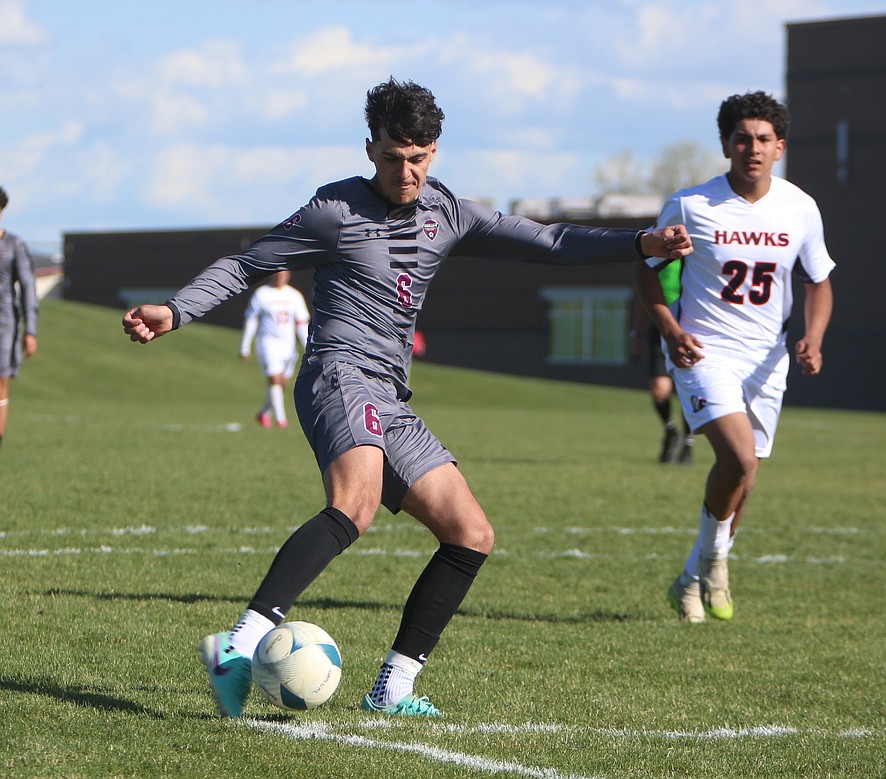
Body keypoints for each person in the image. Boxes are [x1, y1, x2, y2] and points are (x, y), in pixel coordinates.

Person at [122, 77, 692, 718]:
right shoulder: (331, 211)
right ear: (371, 150)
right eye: (393, 157)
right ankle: (238, 646)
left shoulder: (450, 212)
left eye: (417, 158)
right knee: (354, 506)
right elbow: (246, 263)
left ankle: (393, 687)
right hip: (339, 373)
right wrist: (176, 310)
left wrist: (641, 243)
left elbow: (552, 242)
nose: (405, 171)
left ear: (435, 152)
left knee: (470, 533)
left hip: (391, 396)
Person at [634, 91, 836, 624]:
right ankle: (716, 562)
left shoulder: (801, 207)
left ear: (780, 148)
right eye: (742, 138)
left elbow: (819, 282)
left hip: (767, 360)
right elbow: (645, 270)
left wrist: (813, 337)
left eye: (763, 139)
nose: (753, 147)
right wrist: (671, 329)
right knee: (739, 459)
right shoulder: (691, 204)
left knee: (746, 478)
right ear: (725, 144)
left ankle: (690, 576)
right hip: (704, 351)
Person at [628, 259, 693, 464]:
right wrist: (636, 334)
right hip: (661, 327)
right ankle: (671, 431)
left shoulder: (698, 253)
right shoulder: (660, 255)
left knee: (690, 390)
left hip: (693, 327)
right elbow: (645, 296)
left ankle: (688, 443)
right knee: (659, 390)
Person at [239, 270, 310, 429]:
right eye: (277, 273)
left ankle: (265, 412)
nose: (280, 277)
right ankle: (281, 420)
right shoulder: (262, 294)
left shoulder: (294, 295)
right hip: (268, 342)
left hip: (288, 345)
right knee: (274, 379)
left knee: (282, 382)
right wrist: (245, 347)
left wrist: (307, 345)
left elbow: (301, 322)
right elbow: (251, 320)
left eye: (283, 274)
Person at [0, 186, 39, 451]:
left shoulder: (14, 245)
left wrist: (30, 330)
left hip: (4, 323)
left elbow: (28, 288)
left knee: (0, 386)